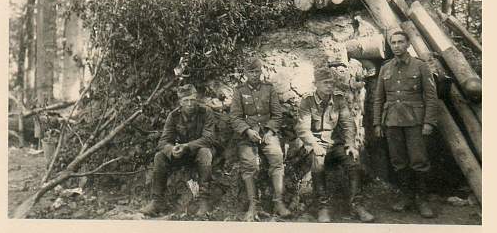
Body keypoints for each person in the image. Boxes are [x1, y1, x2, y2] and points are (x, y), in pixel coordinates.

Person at [295, 65, 375, 223]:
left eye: (331, 82)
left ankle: (356, 205)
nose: (329, 86)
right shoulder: (307, 101)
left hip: (336, 145)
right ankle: (323, 207)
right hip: (316, 144)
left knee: (353, 162)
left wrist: (350, 145)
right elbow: (302, 128)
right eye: (325, 82)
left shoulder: (339, 99)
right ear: (315, 83)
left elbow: (348, 124)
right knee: (318, 163)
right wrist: (314, 145)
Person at [373, 30, 438, 218]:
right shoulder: (385, 68)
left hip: (415, 121)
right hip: (392, 121)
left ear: (408, 44)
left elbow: (431, 97)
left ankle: (422, 200)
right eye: (393, 43)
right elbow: (378, 98)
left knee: (419, 161)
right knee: (398, 161)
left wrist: (429, 122)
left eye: (400, 42)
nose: (396, 46)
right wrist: (377, 123)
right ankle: (406, 197)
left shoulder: (420, 66)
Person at [230, 57, 292, 221]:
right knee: (248, 164)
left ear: (261, 71)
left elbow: (277, 115)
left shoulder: (269, 89)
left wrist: (270, 130)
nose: (255, 75)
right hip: (248, 135)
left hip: (267, 133)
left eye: (257, 71)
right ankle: (253, 204)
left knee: (277, 158)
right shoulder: (239, 91)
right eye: (251, 72)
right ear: (245, 73)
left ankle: (278, 203)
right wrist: (248, 131)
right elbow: (235, 117)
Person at [141, 84, 216, 217]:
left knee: (206, 153)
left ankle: (204, 200)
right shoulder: (173, 116)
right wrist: (172, 149)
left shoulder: (206, 112)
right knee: (159, 157)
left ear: (197, 99)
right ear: (180, 102)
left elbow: (208, 138)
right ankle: (157, 201)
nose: (189, 104)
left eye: (192, 100)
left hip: (199, 151)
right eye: (185, 100)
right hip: (182, 154)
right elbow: (163, 141)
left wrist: (186, 146)